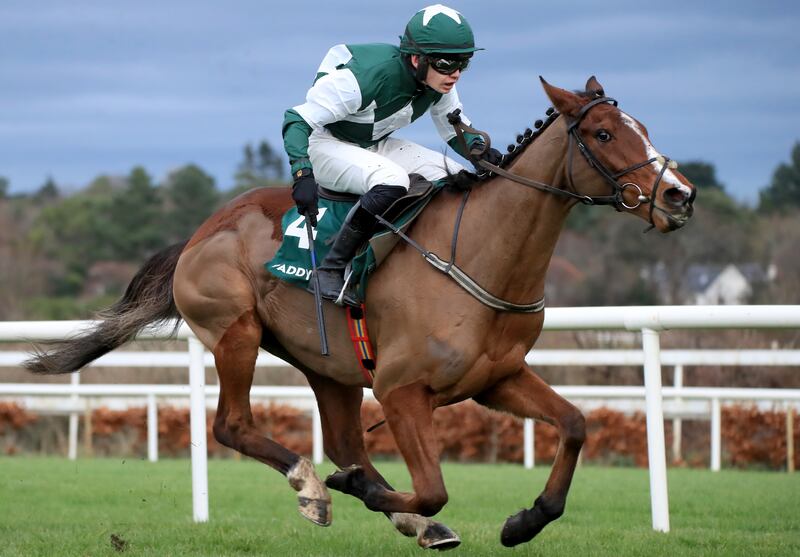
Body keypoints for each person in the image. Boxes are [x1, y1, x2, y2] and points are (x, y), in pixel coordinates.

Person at [282, 4, 501, 306]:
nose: (456, 73)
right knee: (393, 179)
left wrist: (484, 154)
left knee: (453, 175)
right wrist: (301, 173)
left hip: (374, 143)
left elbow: (455, 130)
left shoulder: (437, 82)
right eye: (446, 63)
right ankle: (330, 270)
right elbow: (296, 119)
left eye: (464, 62)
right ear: (416, 59)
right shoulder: (362, 79)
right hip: (324, 144)